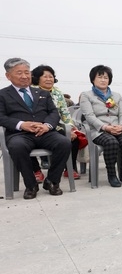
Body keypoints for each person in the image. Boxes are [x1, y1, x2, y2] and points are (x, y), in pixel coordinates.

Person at [0, 58, 71, 199]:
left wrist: (47, 126)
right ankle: (31, 185)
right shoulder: (3, 95)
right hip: (19, 134)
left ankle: (52, 181)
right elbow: (1, 116)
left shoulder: (43, 93)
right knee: (17, 146)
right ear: (8, 76)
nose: (24, 76)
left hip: (44, 132)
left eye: (27, 72)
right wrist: (21, 124)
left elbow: (54, 112)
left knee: (64, 142)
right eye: (19, 73)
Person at [80, 65, 122, 187]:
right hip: (99, 130)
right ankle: (111, 174)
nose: (103, 80)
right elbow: (89, 116)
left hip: (117, 128)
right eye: (99, 77)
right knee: (111, 143)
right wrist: (105, 127)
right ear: (93, 79)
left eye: (106, 77)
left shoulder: (116, 95)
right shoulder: (86, 95)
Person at [30, 65, 84, 181]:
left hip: (57, 125)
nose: (49, 79)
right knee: (25, 140)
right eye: (45, 77)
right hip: (36, 125)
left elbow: (65, 112)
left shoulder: (57, 92)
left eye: (51, 77)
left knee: (73, 137)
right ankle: (36, 170)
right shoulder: (31, 91)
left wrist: (70, 127)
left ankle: (69, 168)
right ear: (37, 78)